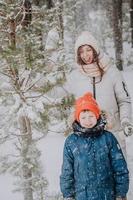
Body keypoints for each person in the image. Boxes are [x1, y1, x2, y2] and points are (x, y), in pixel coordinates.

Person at [64, 31, 133, 155]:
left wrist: (126, 120)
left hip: (113, 134)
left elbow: (124, 100)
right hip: (85, 138)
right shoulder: (75, 76)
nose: (85, 55)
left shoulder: (112, 72)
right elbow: (61, 96)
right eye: (81, 52)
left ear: (95, 50)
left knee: (118, 171)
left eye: (88, 50)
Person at [60, 92, 129, 200]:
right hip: (82, 196)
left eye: (91, 116)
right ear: (78, 119)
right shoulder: (71, 141)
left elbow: (120, 168)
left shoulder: (108, 138)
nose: (88, 121)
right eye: (83, 117)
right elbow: (67, 172)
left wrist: (121, 193)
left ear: (97, 116)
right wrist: (68, 195)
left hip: (107, 195)